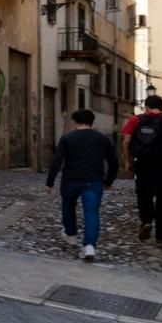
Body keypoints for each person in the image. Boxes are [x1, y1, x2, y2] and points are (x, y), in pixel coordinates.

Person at [47, 108, 119, 260]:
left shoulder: (67, 138)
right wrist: (108, 181)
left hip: (71, 179)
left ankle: (71, 235)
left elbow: (56, 162)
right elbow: (113, 162)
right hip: (93, 181)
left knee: (68, 206)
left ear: (75, 122)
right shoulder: (103, 139)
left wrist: (50, 182)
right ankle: (89, 246)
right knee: (92, 212)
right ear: (92, 122)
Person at [122, 93, 162, 243]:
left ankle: (146, 221)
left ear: (146, 108)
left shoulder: (135, 120)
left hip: (144, 163)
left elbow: (126, 142)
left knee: (144, 195)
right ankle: (161, 234)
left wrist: (127, 161)